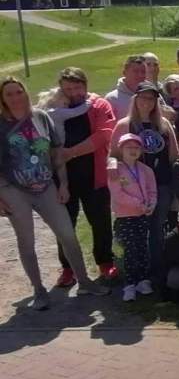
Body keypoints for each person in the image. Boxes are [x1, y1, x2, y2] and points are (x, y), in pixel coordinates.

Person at [0, 78, 109, 309]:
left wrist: (63, 184)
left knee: (67, 234)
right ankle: (39, 291)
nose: (15, 97)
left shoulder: (41, 117)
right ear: (2, 98)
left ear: (25, 92)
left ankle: (84, 281)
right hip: (13, 188)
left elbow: (57, 153)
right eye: (9, 94)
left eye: (18, 92)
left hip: (46, 185)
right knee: (26, 240)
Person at [41, 67, 117, 286]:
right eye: (68, 89)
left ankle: (105, 262)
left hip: (95, 175)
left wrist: (71, 152)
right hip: (63, 178)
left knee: (101, 222)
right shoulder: (54, 107)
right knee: (64, 225)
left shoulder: (99, 105)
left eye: (77, 87)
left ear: (85, 85)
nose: (74, 93)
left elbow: (104, 135)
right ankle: (68, 269)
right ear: (61, 89)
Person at [110, 82, 179, 273]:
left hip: (162, 184)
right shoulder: (125, 125)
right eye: (143, 97)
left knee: (157, 228)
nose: (147, 102)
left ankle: (155, 270)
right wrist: (113, 168)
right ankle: (136, 271)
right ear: (135, 98)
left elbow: (174, 156)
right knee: (137, 231)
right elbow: (113, 156)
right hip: (135, 188)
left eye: (151, 98)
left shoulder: (163, 125)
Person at [107, 133, 157, 301]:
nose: (133, 150)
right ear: (121, 149)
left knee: (142, 247)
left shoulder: (146, 170)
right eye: (129, 147)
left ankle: (143, 281)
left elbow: (152, 190)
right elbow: (117, 194)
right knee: (130, 250)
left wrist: (151, 204)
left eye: (136, 148)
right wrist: (138, 203)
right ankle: (129, 285)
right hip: (125, 216)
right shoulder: (115, 170)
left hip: (142, 215)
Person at [105, 54, 148, 120]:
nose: (140, 75)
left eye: (143, 72)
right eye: (135, 71)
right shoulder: (112, 99)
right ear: (124, 73)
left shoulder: (152, 95)